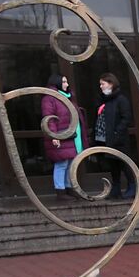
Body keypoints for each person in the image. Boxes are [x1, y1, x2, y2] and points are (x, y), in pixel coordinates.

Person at [41, 73, 88, 201]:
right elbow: (49, 119)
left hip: (73, 136)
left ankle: (69, 188)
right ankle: (60, 191)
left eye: (67, 82)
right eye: (64, 82)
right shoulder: (50, 98)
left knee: (71, 163)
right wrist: (54, 136)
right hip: (61, 136)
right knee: (61, 163)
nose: (67, 84)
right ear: (56, 83)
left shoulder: (68, 97)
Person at [94, 73, 135, 200]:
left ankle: (132, 186)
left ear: (111, 84)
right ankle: (116, 188)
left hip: (119, 139)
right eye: (100, 84)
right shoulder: (102, 100)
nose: (101, 86)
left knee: (124, 163)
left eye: (103, 84)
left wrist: (117, 131)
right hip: (105, 138)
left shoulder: (121, 99)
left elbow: (126, 117)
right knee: (112, 164)